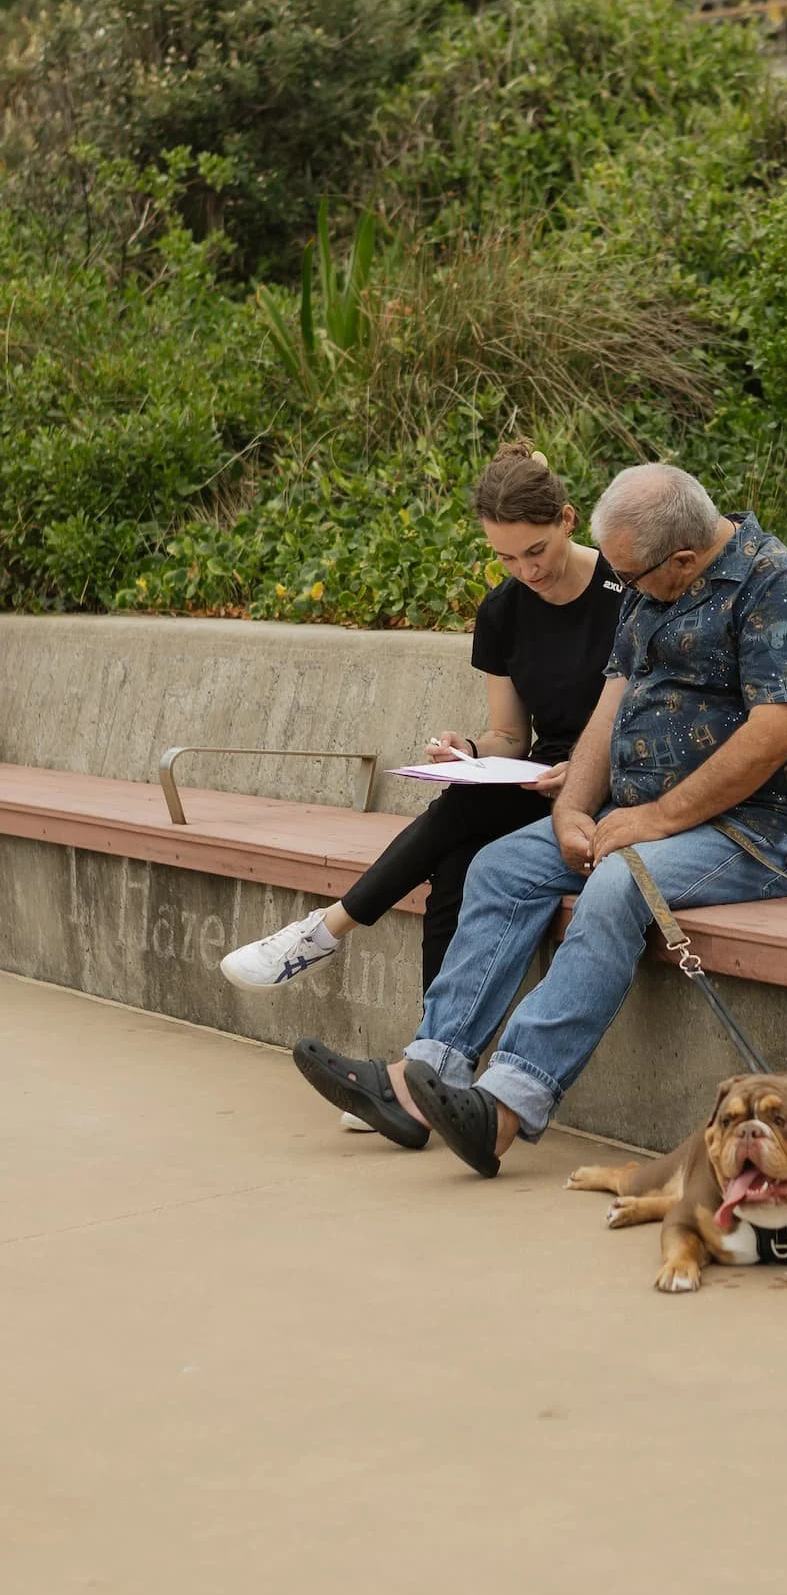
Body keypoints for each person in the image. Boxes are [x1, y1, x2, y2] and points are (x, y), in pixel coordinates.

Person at [292, 463, 787, 1171]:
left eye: (630, 577)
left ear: (681, 558)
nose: (620, 588)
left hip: (765, 830)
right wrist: (574, 810)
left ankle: (505, 1109)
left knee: (618, 885)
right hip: (643, 816)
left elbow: (777, 734)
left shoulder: (780, 585)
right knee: (500, 867)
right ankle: (423, 1076)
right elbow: (613, 703)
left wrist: (654, 820)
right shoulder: (649, 586)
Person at [220, 443, 625, 1120]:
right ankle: (428, 1083)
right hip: (535, 780)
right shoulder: (503, 611)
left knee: (460, 840)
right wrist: (467, 750)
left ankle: (328, 937)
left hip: (607, 783)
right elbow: (509, 737)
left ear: (566, 519)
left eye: (535, 551)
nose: (525, 570)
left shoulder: (623, 590)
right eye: (504, 557)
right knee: (459, 852)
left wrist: (579, 774)